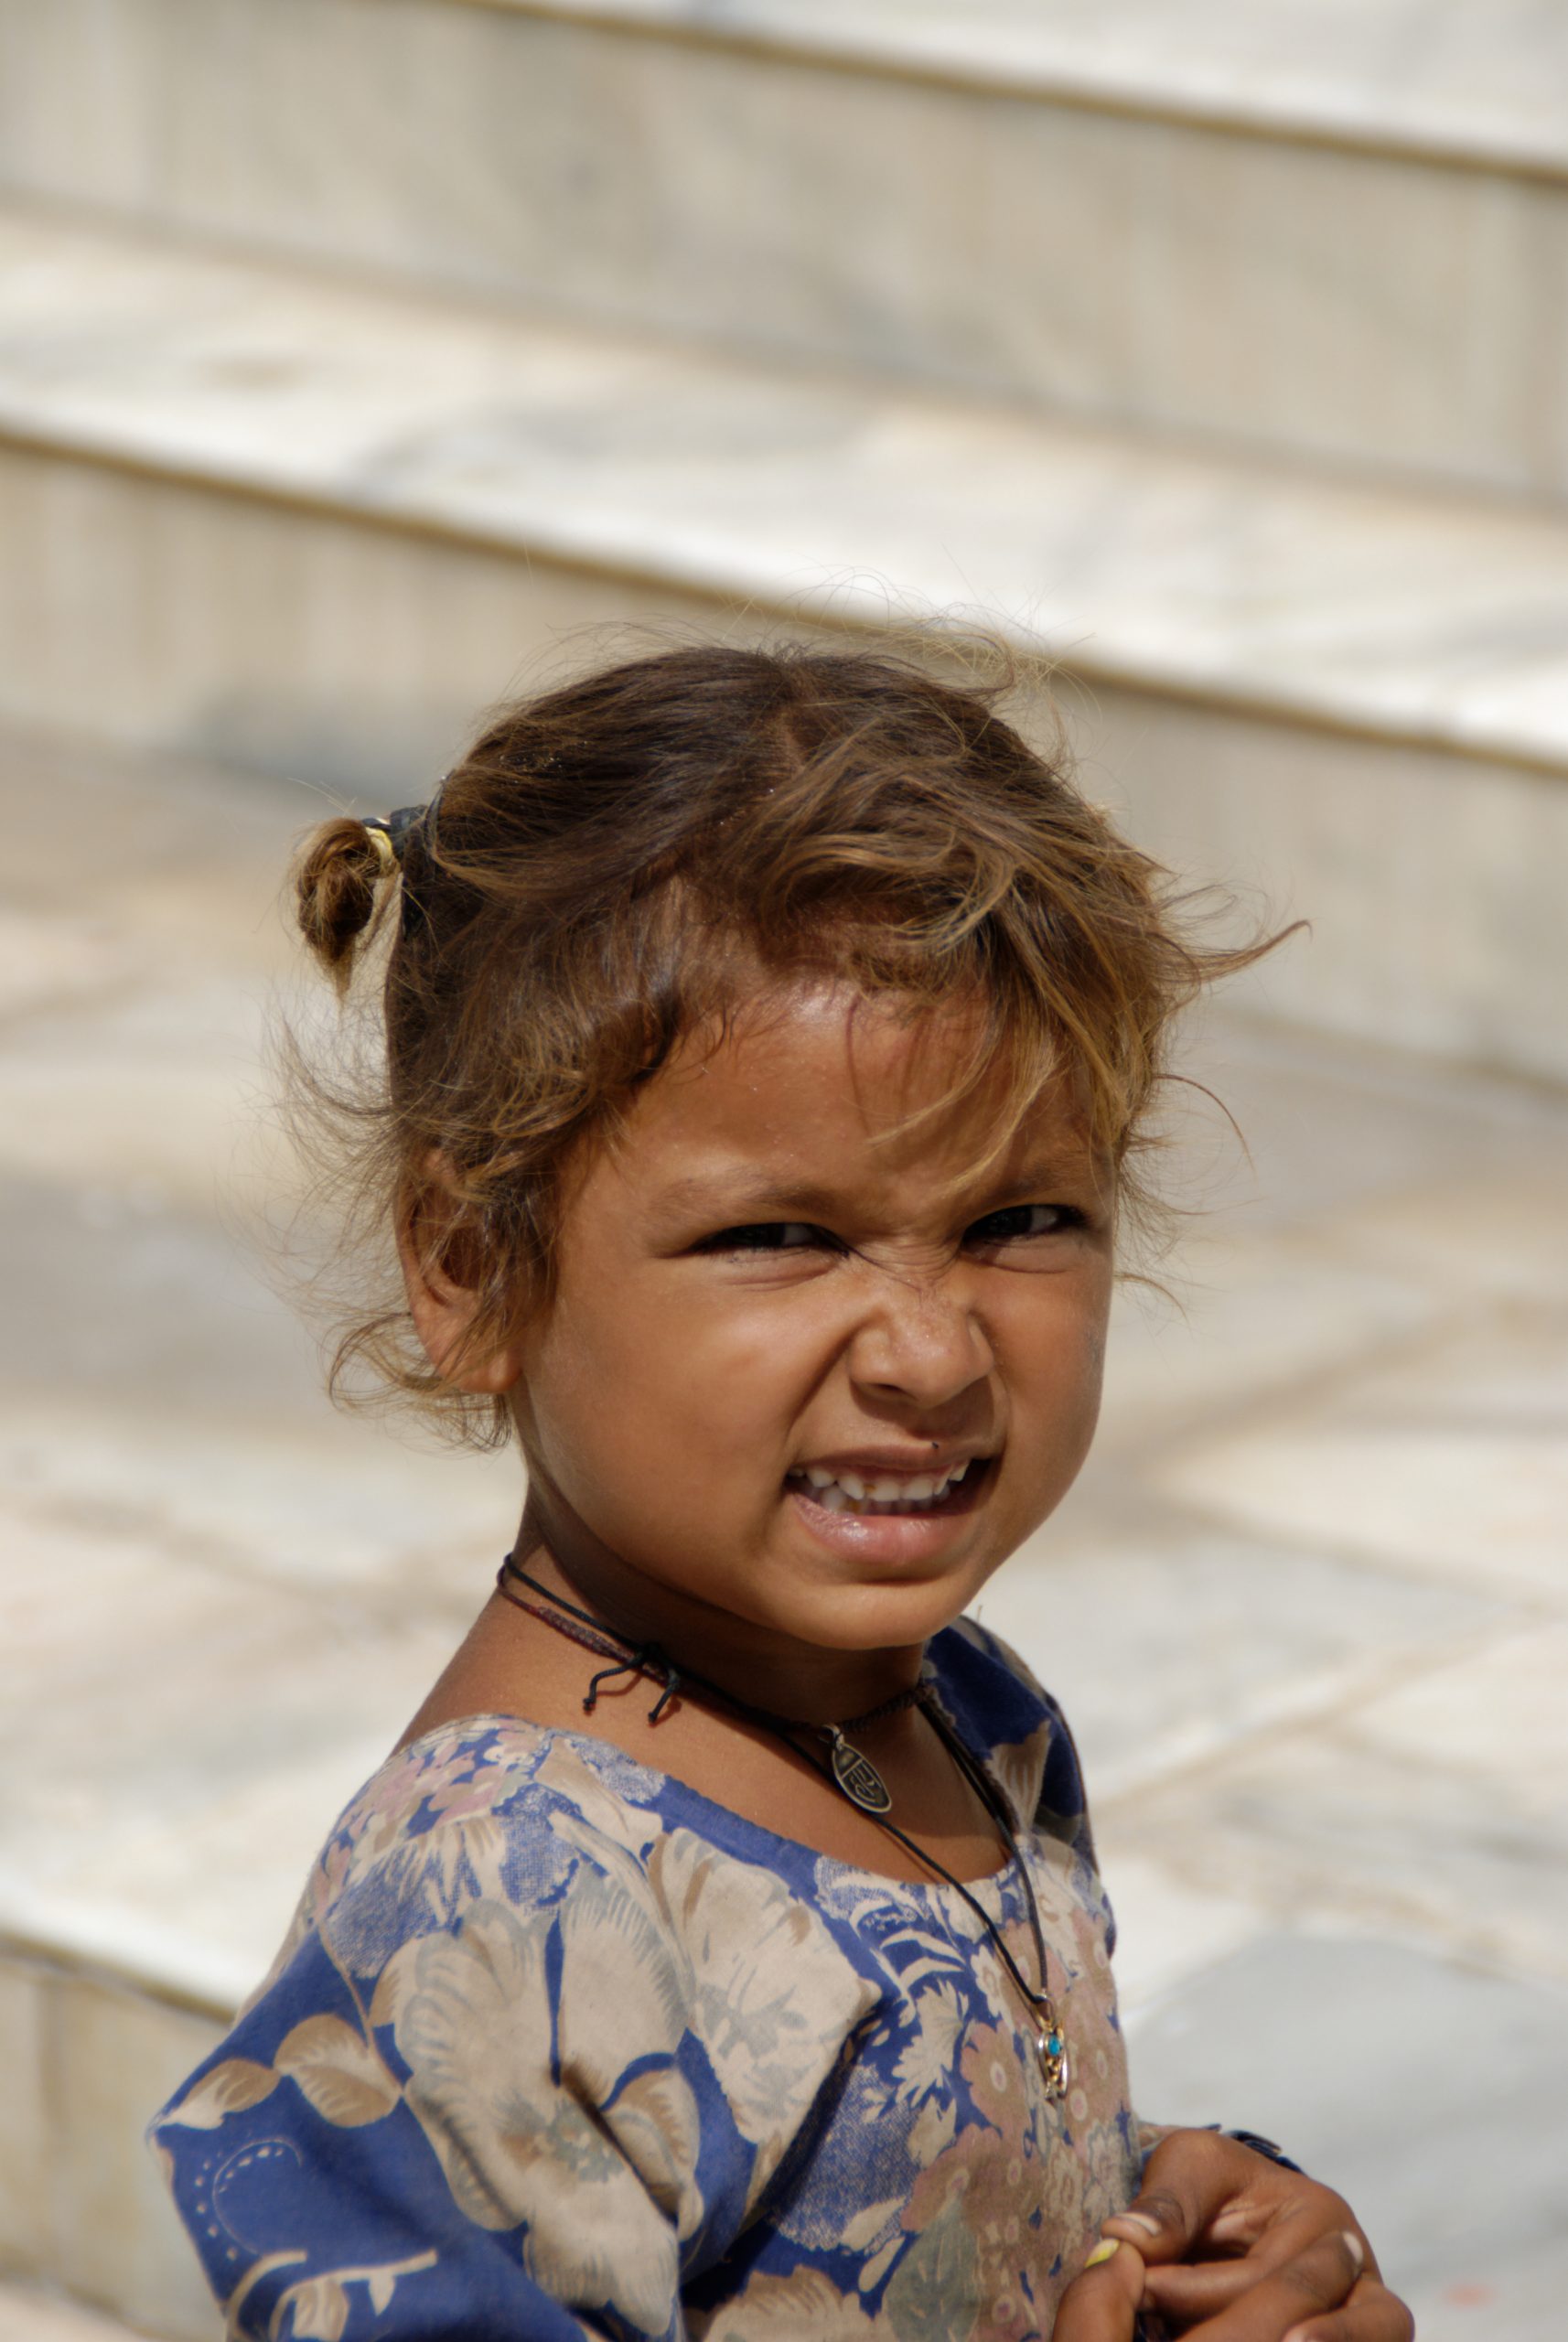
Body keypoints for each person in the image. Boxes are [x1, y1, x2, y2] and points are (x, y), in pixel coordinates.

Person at [152, 643, 1412, 2342]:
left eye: (1021, 1220)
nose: (929, 1352)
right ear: (469, 1268)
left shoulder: (958, 1707)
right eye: (780, 1238)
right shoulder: (500, 1910)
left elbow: (908, 2189)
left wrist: (1186, 2217)